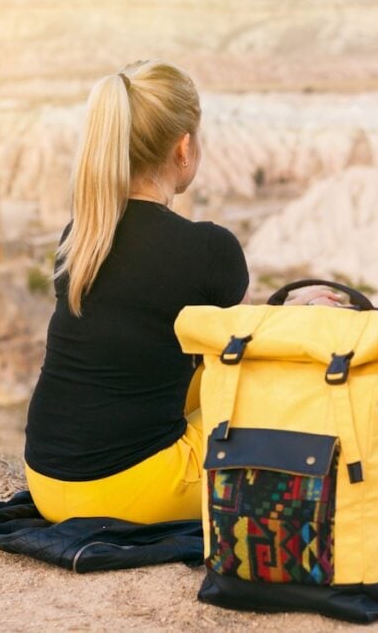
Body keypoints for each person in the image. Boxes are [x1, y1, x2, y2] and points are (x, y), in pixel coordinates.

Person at [23, 59, 341, 526]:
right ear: (184, 147)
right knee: (273, 390)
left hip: (47, 482)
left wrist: (276, 311)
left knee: (195, 374)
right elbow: (247, 362)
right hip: (128, 494)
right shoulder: (209, 248)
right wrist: (301, 317)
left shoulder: (82, 237)